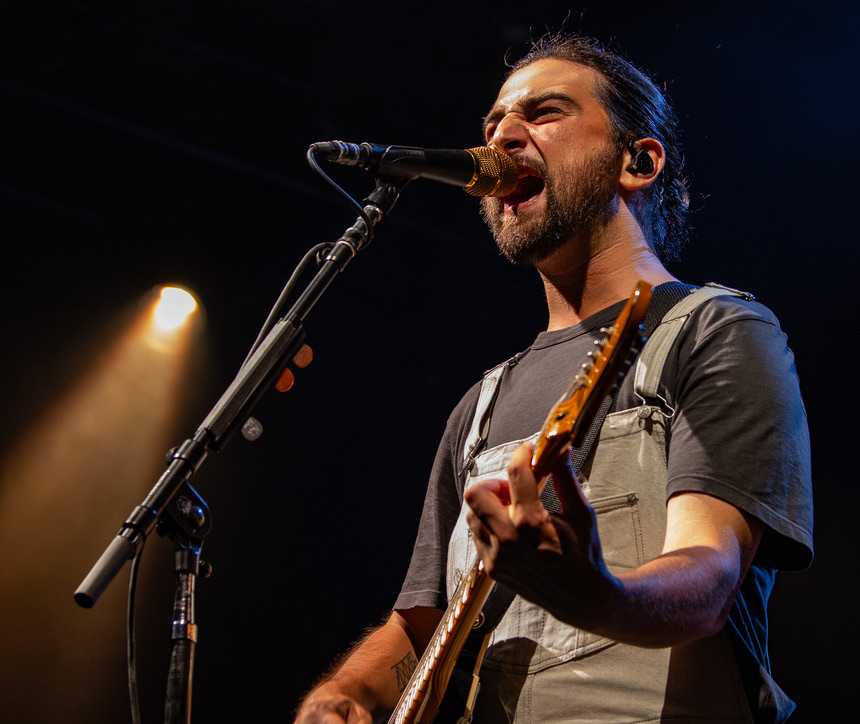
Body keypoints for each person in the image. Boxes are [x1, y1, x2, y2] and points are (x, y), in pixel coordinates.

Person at [295, 33, 813, 724]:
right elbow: (420, 627)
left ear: (637, 161)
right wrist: (348, 693)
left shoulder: (715, 330)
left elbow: (709, 576)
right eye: (493, 123)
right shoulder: (481, 405)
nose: (503, 135)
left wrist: (597, 594)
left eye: (544, 113)